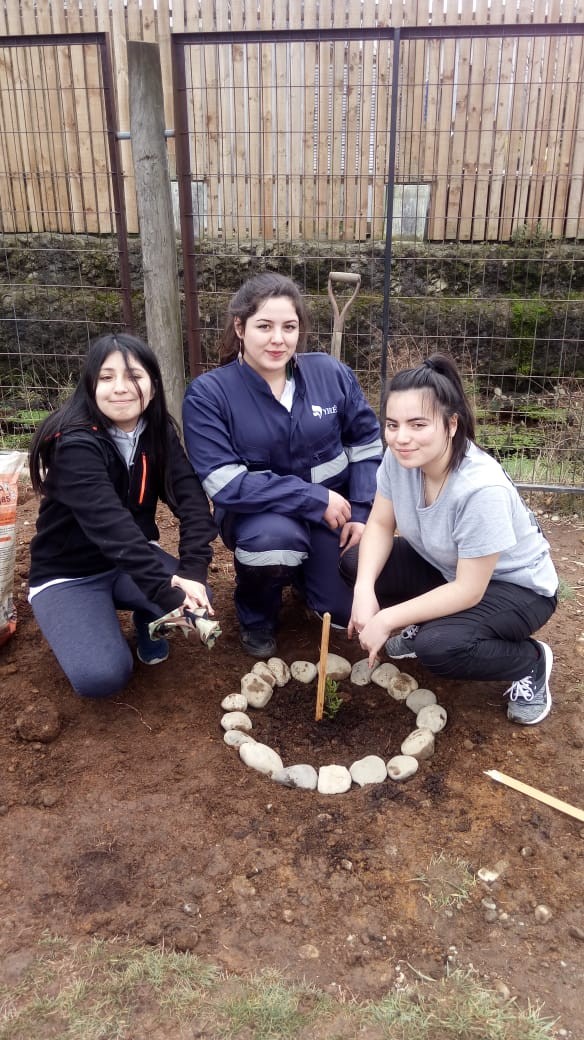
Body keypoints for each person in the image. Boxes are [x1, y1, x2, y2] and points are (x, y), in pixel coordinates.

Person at [342, 353, 558, 725]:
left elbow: (469, 591)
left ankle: (530, 662)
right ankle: (428, 623)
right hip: (447, 567)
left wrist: (387, 617)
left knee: (439, 648)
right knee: (354, 562)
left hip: (515, 588)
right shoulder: (399, 458)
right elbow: (378, 525)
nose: (401, 437)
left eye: (417, 424)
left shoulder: (480, 489)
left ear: (451, 424)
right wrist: (364, 590)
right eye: (392, 425)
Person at [183, 272, 383, 657]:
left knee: (340, 611)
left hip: (334, 515)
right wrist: (311, 497)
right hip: (259, 516)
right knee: (274, 545)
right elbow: (226, 485)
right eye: (264, 326)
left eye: (289, 327)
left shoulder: (330, 373)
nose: (278, 339)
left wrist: (361, 511)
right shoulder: (209, 395)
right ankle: (258, 615)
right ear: (240, 327)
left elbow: (366, 446)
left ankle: (308, 581)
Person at [28, 333, 217, 699]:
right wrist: (167, 592)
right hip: (69, 574)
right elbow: (112, 529)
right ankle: (80, 625)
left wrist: (191, 572)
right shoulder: (74, 443)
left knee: (198, 592)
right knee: (103, 676)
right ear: (90, 384)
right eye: (107, 377)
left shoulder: (157, 430)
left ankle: (147, 618)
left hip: (129, 564)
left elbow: (191, 501)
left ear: (152, 383)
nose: (121, 388)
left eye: (134, 376)